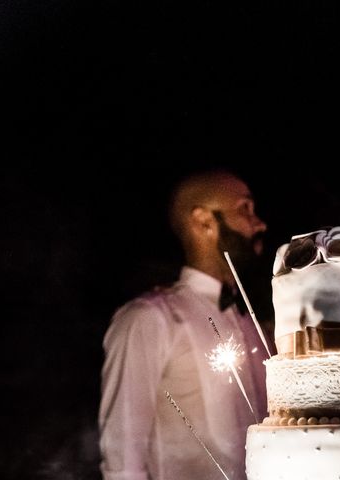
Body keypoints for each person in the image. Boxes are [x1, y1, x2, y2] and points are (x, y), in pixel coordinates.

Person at [98, 169, 269, 480]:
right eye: (245, 209)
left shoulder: (250, 322)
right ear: (203, 221)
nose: (260, 224)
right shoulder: (150, 317)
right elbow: (123, 459)